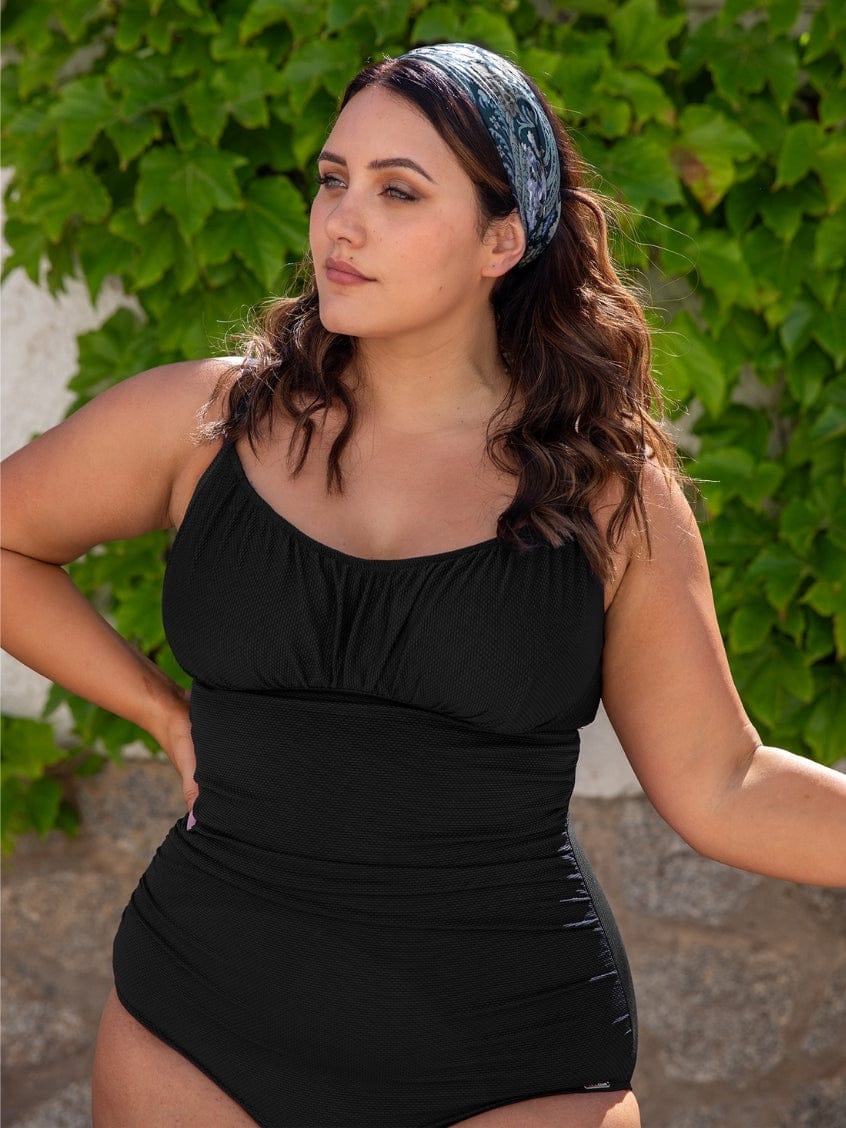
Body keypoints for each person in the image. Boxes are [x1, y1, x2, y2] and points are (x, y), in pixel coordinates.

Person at [1, 40, 844, 1128]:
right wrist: (162, 713)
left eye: (398, 191)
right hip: (199, 1026)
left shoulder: (606, 493)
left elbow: (723, 782)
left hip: (509, 1061)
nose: (340, 223)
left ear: (503, 239)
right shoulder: (205, 426)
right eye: (333, 179)